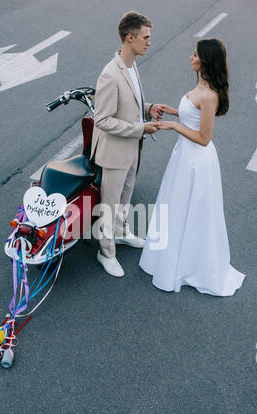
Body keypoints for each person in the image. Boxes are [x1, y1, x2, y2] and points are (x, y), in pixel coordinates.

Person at [139, 38, 246, 296]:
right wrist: (175, 112)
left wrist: (174, 126)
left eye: (195, 54)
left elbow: (204, 137)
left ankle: (188, 265)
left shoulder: (210, 95)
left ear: (205, 60)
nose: (191, 57)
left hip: (198, 161)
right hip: (183, 156)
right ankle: (168, 258)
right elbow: (193, 113)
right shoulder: (201, 85)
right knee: (175, 206)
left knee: (193, 212)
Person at [91, 11, 164, 277]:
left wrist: (149, 108)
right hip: (114, 152)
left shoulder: (132, 66)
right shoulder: (110, 74)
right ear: (129, 37)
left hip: (132, 146)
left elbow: (130, 103)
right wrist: (140, 128)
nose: (149, 42)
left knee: (125, 197)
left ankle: (121, 233)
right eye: (145, 37)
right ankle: (105, 252)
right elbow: (103, 120)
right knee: (109, 206)